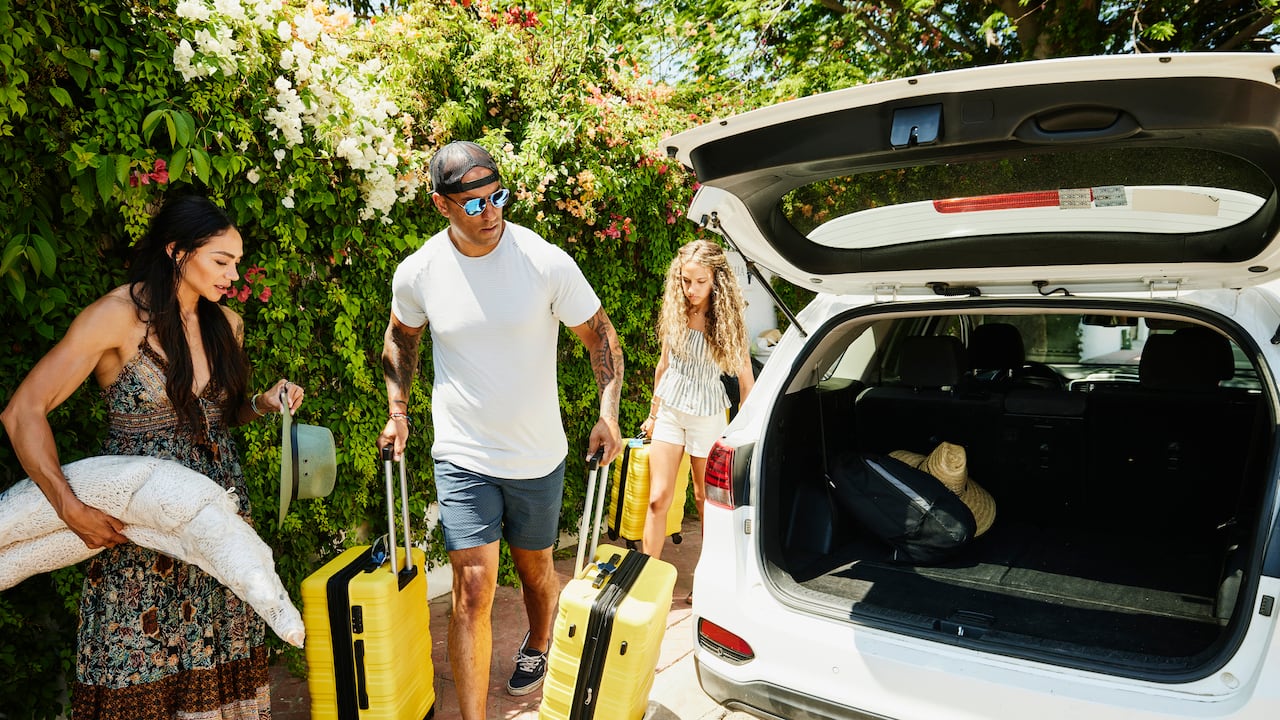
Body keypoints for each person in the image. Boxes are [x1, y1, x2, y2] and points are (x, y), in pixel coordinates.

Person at [0, 194, 304, 718]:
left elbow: (219, 416)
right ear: (176, 251)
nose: (233, 274)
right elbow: (22, 411)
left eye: (236, 262)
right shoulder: (115, 318)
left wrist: (261, 403)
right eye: (221, 260)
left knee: (223, 671)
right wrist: (69, 509)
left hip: (217, 524)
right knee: (140, 672)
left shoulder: (224, 323)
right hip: (140, 524)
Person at [377, 141, 623, 718]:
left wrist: (607, 413)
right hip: (462, 452)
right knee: (472, 589)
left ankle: (539, 640)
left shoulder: (545, 262)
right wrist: (399, 410)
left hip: (537, 455)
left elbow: (601, 338)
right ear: (441, 205)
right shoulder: (419, 272)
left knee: (536, 573)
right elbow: (401, 337)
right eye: (473, 203)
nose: (490, 213)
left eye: (498, 197)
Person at [640, 239, 754, 568]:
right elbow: (663, 366)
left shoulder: (729, 319)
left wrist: (739, 432)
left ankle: (706, 579)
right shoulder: (676, 308)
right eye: (685, 281)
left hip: (708, 414)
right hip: (671, 410)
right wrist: (652, 414)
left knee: (706, 502)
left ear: (716, 279)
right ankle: (646, 577)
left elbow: (747, 383)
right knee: (658, 498)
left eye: (700, 282)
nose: (691, 289)